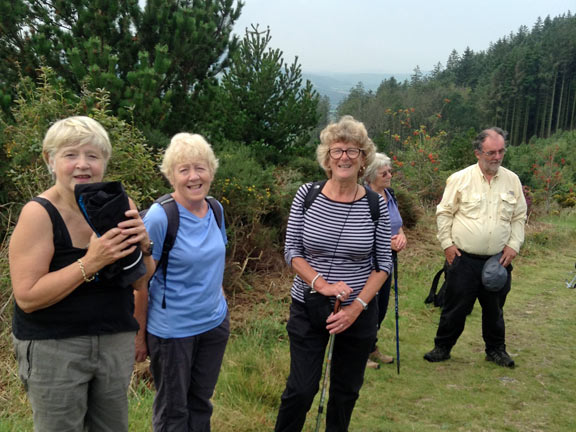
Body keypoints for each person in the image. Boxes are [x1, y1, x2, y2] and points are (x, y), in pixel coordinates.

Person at [9, 116, 154, 431]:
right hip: (55, 346)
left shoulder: (118, 204)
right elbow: (27, 297)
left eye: (93, 155)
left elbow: (141, 280)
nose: (82, 165)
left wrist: (144, 247)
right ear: (51, 160)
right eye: (70, 155)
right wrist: (91, 262)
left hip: (114, 340)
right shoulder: (38, 214)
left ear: (104, 161)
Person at [275, 116, 393, 432]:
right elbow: (292, 252)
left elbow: (383, 265)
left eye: (352, 151)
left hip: (357, 313)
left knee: (345, 393)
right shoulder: (307, 195)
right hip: (308, 306)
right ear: (327, 158)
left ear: (363, 158)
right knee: (300, 390)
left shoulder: (374, 205)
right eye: (337, 150)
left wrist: (356, 309)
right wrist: (322, 284)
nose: (344, 157)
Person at [134, 133, 229, 431]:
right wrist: (140, 336)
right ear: (170, 175)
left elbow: (216, 262)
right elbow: (140, 282)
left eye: (200, 168)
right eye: (183, 169)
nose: (193, 176)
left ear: (211, 171)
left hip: (213, 326)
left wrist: (221, 305)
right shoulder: (161, 218)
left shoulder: (215, 209)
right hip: (172, 334)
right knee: (173, 413)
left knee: (201, 403)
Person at [424, 127, 527, 368]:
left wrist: (514, 246)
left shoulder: (512, 180)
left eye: (501, 151)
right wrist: (447, 245)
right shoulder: (460, 179)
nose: (497, 157)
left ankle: (496, 351)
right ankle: (442, 347)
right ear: (478, 153)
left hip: (498, 260)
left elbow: (519, 217)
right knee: (455, 308)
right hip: (463, 259)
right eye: (491, 152)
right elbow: (444, 213)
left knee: (495, 311)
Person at [362, 152, 407, 368]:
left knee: (380, 307)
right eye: (384, 173)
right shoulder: (362, 198)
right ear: (371, 176)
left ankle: (371, 348)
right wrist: (385, 244)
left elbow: (397, 224)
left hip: (387, 261)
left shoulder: (390, 195)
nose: (389, 175)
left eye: (390, 171)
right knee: (366, 307)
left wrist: (401, 236)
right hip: (367, 264)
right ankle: (358, 354)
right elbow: (358, 235)